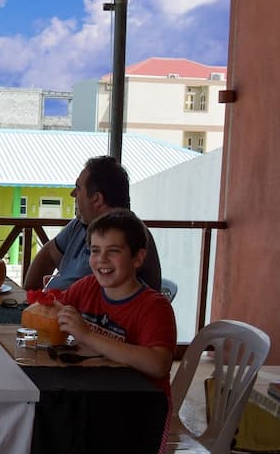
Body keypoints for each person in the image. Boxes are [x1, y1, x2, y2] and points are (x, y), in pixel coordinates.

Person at [55, 210, 176, 389]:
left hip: (139, 403)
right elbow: (56, 308)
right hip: (94, 388)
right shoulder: (88, 286)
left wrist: (87, 335)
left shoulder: (155, 307)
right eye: (95, 251)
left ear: (137, 258)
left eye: (113, 251)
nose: (102, 259)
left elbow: (158, 365)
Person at [23, 155, 161, 291]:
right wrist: (29, 298)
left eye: (78, 188)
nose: (72, 194)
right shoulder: (80, 224)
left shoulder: (131, 236)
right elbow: (48, 255)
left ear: (96, 199)